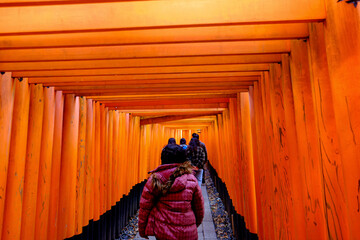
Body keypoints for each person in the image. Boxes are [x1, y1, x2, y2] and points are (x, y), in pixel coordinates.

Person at [139, 144, 204, 240]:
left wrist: (142, 229)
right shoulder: (191, 179)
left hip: (163, 231)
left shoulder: (156, 179)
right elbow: (199, 208)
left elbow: (145, 207)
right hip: (188, 233)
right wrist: (194, 224)